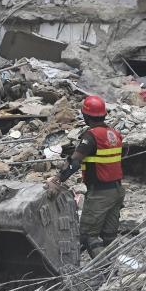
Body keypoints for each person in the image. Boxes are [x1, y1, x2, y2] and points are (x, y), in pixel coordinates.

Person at [48, 95, 124, 257]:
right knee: (109, 236)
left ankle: (102, 269)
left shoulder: (91, 135)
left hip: (100, 194)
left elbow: (75, 163)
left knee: (88, 235)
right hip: (117, 191)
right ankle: (114, 274)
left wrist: (58, 180)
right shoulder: (114, 134)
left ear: (86, 116)